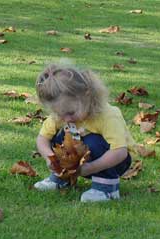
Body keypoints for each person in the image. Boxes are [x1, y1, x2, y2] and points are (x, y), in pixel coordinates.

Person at [33, 60, 135, 202]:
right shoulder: (62, 115)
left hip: (113, 161)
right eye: (59, 113)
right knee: (58, 135)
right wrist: (50, 157)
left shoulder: (107, 116)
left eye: (71, 112)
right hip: (81, 162)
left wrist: (91, 167)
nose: (66, 118)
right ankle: (61, 178)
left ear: (87, 95)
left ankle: (107, 188)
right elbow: (42, 138)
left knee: (93, 141)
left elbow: (119, 152)